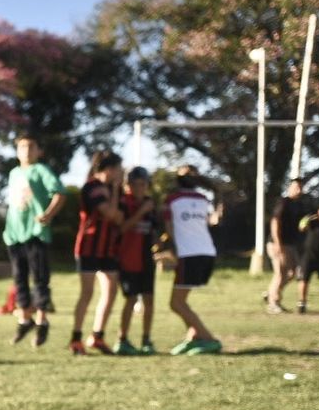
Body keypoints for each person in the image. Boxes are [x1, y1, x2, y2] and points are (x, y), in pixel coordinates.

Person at [0, 136, 65, 347]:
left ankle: (41, 321)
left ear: (39, 151)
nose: (26, 150)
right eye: (22, 147)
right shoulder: (14, 173)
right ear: (17, 151)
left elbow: (60, 193)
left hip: (35, 232)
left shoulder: (41, 170)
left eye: (31, 146)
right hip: (14, 234)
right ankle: (24, 319)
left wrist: (48, 214)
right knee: (19, 278)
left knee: (39, 278)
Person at [69, 150, 125, 355]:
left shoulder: (111, 189)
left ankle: (97, 336)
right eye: (119, 169)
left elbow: (119, 219)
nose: (121, 173)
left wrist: (116, 192)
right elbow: (111, 214)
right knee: (88, 293)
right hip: (88, 247)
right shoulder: (93, 187)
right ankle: (76, 339)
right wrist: (117, 192)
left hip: (108, 249)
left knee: (111, 290)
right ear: (110, 169)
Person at [163, 166, 221, 354]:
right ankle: (193, 337)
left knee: (176, 303)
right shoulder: (203, 199)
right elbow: (210, 221)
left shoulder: (171, 200)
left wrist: (173, 248)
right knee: (182, 301)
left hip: (189, 255)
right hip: (207, 253)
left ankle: (209, 339)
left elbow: (169, 227)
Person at [113, 165, 159, 354]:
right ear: (128, 185)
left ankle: (146, 340)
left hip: (146, 259)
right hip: (127, 259)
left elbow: (155, 230)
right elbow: (121, 228)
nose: (139, 188)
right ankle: (122, 339)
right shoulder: (124, 203)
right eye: (135, 184)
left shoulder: (150, 203)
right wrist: (140, 212)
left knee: (149, 299)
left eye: (143, 184)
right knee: (130, 299)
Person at [266, 178, 310, 314]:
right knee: (280, 273)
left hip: (290, 244)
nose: (299, 190)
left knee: (292, 272)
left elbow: (301, 224)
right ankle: (273, 303)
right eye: (296, 187)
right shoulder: (284, 202)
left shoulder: (299, 205)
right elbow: (275, 222)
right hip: (277, 243)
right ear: (290, 188)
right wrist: (278, 243)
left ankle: (271, 293)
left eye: (300, 187)